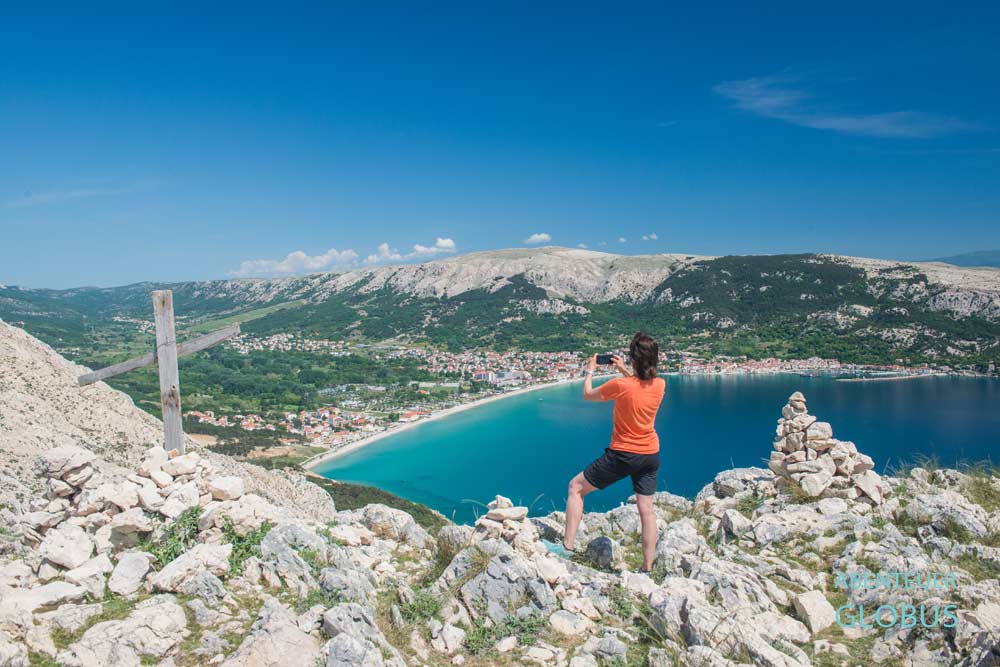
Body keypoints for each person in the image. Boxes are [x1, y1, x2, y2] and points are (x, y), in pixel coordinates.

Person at [562, 332, 665, 572]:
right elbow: (638, 386)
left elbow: (588, 395)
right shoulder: (660, 385)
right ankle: (647, 568)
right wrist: (623, 370)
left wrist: (589, 370)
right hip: (650, 454)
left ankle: (566, 547)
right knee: (646, 510)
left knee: (575, 488)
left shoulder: (621, 386)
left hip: (623, 454)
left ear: (633, 358)